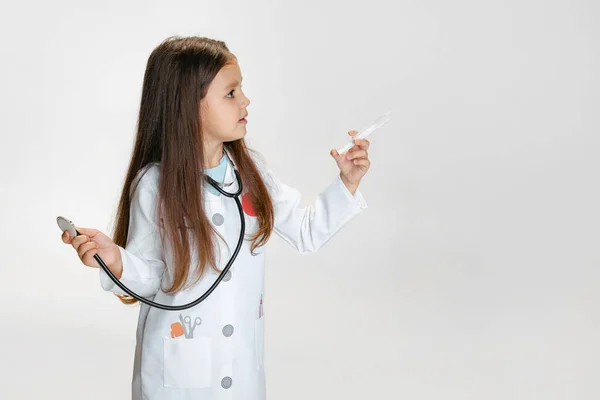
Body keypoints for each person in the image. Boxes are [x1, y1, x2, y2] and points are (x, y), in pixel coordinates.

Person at [60, 35, 370, 400]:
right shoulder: (154, 184)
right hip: (175, 375)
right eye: (231, 92)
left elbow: (306, 232)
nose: (246, 100)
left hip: (240, 374)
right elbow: (152, 279)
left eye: (242, 89)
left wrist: (347, 182)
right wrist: (114, 259)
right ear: (188, 106)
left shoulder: (251, 175)